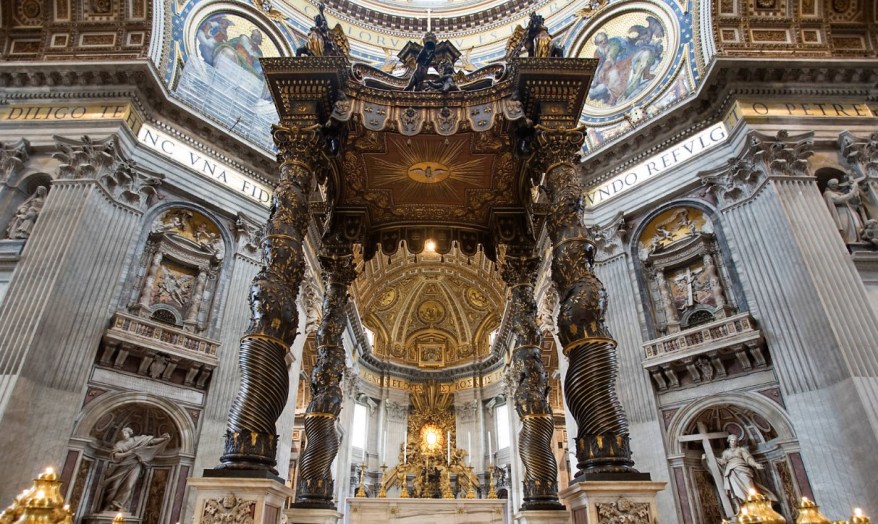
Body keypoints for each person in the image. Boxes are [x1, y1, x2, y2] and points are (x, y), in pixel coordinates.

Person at [101, 427, 171, 512]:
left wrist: (163, 439)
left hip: (136, 465)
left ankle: (119, 504)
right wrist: (128, 453)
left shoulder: (137, 440)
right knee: (114, 487)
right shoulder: (119, 444)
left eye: (126, 433)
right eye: (122, 434)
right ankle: (108, 506)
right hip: (123, 465)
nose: (124, 435)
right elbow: (115, 455)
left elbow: (151, 442)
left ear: (130, 434)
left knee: (129, 486)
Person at [715, 434, 776, 511]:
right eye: (731, 440)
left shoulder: (741, 450)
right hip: (732, 472)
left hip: (743, 469)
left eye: (735, 440)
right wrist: (713, 458)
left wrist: (755, 464)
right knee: (736, 489)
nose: (733, 442)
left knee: (749, 485)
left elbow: (748, 459)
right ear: (729, 441)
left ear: (737, 441)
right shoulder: (725, 452)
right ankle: (744, 506)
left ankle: (756, 504)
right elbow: (723, 461)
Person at [823, 178, 864, 243]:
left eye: (836, 184)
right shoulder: (828, 193)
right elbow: (839, 200)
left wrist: (854, 192)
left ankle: (854, 241)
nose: (835, 186)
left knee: (853, 227)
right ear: (829, 185)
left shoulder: (839, 193)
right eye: (833, 184)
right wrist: (853, 191)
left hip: (848, 211)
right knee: (845, 227)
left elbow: (852, 202)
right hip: (840, 213)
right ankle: (848, 242)